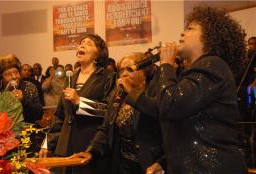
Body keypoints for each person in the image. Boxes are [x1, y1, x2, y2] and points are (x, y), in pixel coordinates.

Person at [149, 6, 247, 174]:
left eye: (190, 28)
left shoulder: (212, 65)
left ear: (209, 36)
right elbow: (191, 128)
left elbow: (171, 105)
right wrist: (165, 162)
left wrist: (166, 64)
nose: (182, 34)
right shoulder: (198, 71)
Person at [69, 52, 163, 174]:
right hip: (123, 164)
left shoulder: (155, 91)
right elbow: (106, 127)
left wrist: (130, 91)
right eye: (121, 70)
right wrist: (91, 151)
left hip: (150, 164)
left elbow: (155, 112)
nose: (124, 73)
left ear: (145, 72)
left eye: (129, 69)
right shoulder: (118, 94)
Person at [39, 34, 113, 174]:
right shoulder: (70, 78)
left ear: (99, 53)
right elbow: (60, 115)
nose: (82, 45)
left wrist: (80, 101)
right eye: (81, 43)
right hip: (64, 146)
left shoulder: (108, 77)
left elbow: (109, 111)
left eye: (89, 44)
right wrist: (48, 143)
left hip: (90, 146)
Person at [0, 54, 43, 124]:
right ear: (1, 78)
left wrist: (23, 100)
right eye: (8, 74)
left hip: (27, 129)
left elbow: (39, 114)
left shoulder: (29, 87)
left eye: (16, 72)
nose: (14, 77)